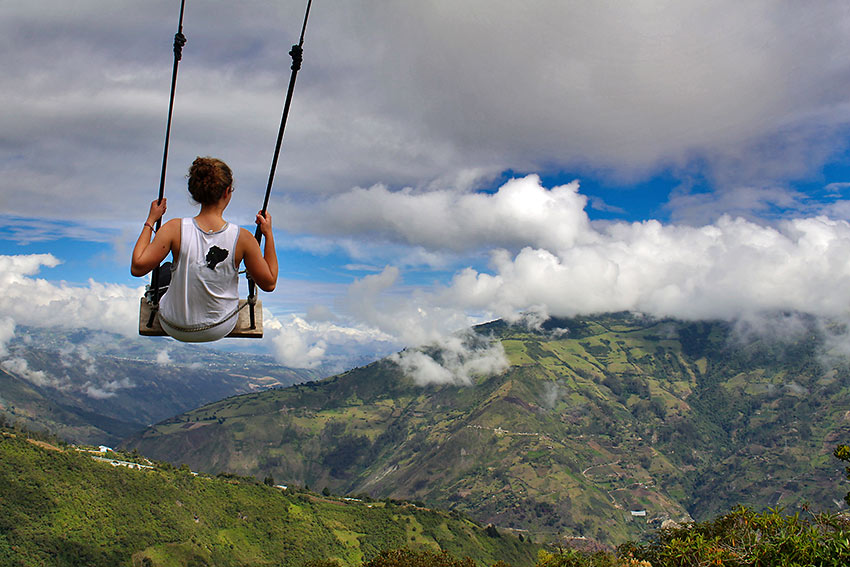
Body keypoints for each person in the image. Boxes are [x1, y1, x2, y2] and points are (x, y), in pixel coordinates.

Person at [131, 157, 278, 342]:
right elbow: (269, 283)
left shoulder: (174, 228)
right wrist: (268, 234)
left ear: (195, 192)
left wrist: (151, 220)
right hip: (219, 326)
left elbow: (137, 267)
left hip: (174, 324)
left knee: (166, 271)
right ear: (227, 192)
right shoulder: (243, 238)